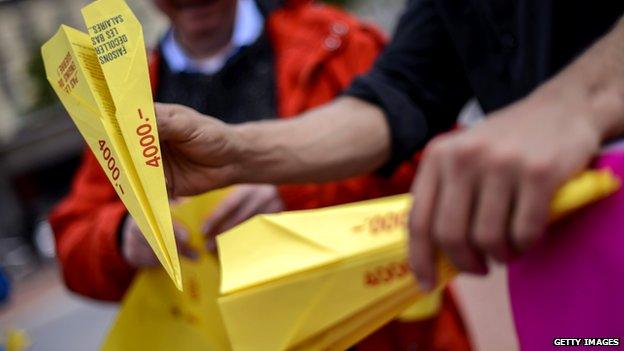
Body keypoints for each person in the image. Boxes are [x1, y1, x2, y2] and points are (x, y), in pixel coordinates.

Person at [49, 0, 471, 349]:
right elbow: (74, 240)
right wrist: (121, 235)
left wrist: (294, 194)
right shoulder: (126, 95)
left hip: (378, 333)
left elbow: (443, 163)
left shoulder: (335, 42)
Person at [152, 1, 624, 291]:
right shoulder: (149, 76)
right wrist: (239, 153)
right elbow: (405, 92)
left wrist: (574, 102)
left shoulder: (327, 35)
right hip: (558, 253)